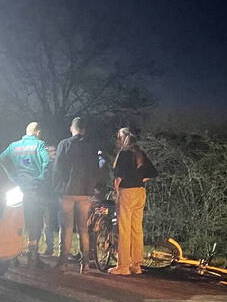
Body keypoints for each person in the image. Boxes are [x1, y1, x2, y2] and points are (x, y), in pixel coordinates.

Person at [52, 117, 101, 273]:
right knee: (83, 228)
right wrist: (92, 188)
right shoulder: (92, 147)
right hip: (84, 193)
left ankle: (63, 263)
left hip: (66, 192)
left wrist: (57, 186)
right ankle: (85, 264)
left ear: (71, 128)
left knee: (65, 228)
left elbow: (58, 168)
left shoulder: (64, 144)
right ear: (84, 129)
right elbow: (95, 169)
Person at [0, 122, 50, 268]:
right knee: (34, 222)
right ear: (38, 132)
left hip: (16, 189)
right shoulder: (40, 145)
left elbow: (0, 160)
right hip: (34, 189)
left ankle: (13, 256)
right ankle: (33, 257)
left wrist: (11, 178)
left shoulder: (13, 146)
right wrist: (40, 178)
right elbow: (47, 162)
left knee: (16, 222)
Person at [108, 127, 156, 276]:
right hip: (140, 192)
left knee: (124, 229)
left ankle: (123, 266)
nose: (118, 140)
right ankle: (136, 265)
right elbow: (153, 172)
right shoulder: (140, 154)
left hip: (127, 193)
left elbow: (118, 177)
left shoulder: (124, 153)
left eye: (119, 137)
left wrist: (115, 191)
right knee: (137, 229)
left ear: (123, 138)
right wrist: (140, 178)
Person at [42, 144, 60, 257]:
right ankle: (51, 248)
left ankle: (53, 248)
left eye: (53, 151)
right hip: (51, 197)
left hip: (54, 197)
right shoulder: (48, 165)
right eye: (50, 151)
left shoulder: (52, 165)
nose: (53, 153)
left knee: (52, 224)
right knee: (49, 224)